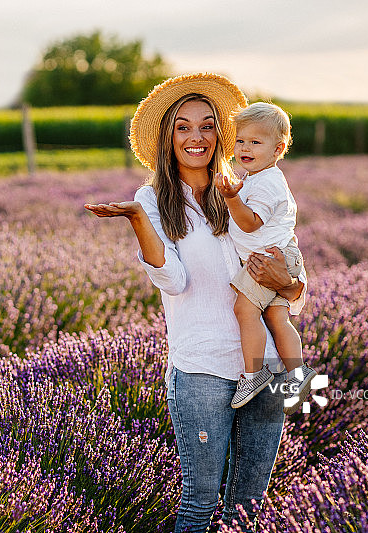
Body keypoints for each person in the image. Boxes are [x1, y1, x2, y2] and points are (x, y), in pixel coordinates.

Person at [85, 73, 307, 532]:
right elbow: (173, 279)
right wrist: (138, 220)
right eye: (183, 127)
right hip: (202, 368)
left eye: (207, 126)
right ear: (168, 137)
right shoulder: (152, 199)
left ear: (221, 134)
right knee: (199, 505)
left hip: (265, 366)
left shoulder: (245, 188)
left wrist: (290, 284)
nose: (197, 137)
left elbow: (287, 276)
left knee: (249, 509)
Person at [213, 102, 316, 414]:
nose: (245, 148)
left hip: (267, 259)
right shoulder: (256, 178)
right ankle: (298, 373)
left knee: (244, 310)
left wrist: (230, 197)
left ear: (278, 149)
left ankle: (254, 373)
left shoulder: (268, 182)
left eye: (255, 142)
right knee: (275, 318)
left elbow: (250, 223)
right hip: (280, 256)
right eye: (240, 140)